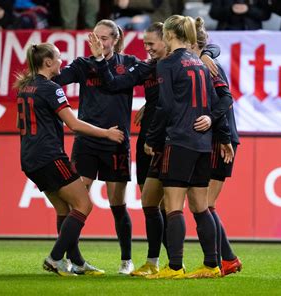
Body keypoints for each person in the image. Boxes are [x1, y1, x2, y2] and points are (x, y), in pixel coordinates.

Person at [13, 43, 124, 276]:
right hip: (50, 156)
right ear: (48, 63)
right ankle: (55, 258)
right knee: (84, 205)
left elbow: (20, 124)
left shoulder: (25, 87)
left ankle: (77, 262)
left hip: (29, 158)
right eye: (58, 58)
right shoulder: (51, 88)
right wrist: (106, 133)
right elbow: (73, 124)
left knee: (64, 209)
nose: (62, 62)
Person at [144, 15, 232, 279]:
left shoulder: (168, 64)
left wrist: (153, 138)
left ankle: (174, 268)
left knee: (172, 206)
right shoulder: (201, 64)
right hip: (203, 144)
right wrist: (215, 124)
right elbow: (220, 100)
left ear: (169, 35)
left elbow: (166, 106)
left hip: (179, 140)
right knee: (200, 206)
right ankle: (212, 264)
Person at [52, 19, 138, 274]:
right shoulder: (82, 65)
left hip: (116, 143)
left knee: (117, 204)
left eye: (105, 38)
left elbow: (131, 84)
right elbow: (54, 81)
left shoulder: (129, 65)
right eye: (95, 37)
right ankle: (73, 260)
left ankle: (126, 260)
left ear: (116, 40)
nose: (99, 42)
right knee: (75, 203)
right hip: (87, 143)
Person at [87, 22, 169, 276]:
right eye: (144, 44)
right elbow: (114, 84)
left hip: (167, 139)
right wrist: (150, 105)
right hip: (146, 138)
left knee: (171, 205)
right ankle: (156, 263)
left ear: (167, 41)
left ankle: (172, 262)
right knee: (150, 203)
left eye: (151, 43)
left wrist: (209, 52)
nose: (147, 48)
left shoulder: (178, 64)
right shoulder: (146, 67)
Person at [193, 17, 243, 277]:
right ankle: (227, 259)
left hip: (220, 140)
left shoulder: (209, 66)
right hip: (216, 138)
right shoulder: (201, 61)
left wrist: (223, 137)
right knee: (204, 205)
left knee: (205, 205)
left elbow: (225, 102)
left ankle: (221, 261)